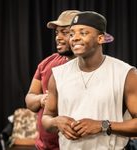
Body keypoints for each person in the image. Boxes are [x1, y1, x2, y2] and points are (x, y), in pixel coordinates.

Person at [42, 11, 137, 150]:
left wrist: (102, 125)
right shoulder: (57, 75)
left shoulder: (126, 73)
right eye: (72, 33)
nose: (75, 38)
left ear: (101, 39)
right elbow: (46, 118)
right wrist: (56, 122)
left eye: (83, 33)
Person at [25, 10, 80, 150]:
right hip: (44, 146)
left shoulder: (92, 67)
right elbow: (30, 99)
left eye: (65, 32)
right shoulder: (47, 63)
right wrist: (42, 99)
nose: (58, 38)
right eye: (57, 33)